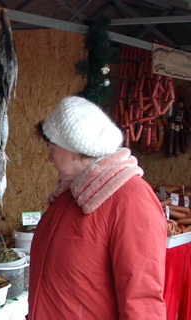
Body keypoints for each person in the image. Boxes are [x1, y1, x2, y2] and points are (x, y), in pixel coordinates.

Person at [28, 96, 167, 319]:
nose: (49, 157)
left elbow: (143, 300)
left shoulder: (131, 199)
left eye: (51, 148)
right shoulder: (71, 194)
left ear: (74, 149)